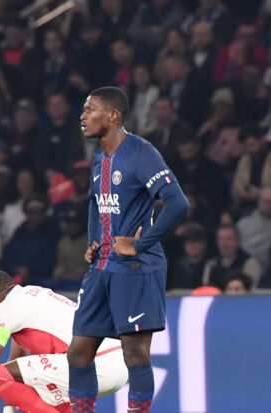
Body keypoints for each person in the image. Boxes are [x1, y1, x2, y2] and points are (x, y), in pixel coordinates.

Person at [68, 86, 189, 412]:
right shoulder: (98, 156)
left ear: (113, 115)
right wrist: (94, 240)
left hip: (135, 268)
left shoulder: (141, 152)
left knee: (134, 354)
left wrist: (142, 243)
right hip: (103, 265)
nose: (83, 116)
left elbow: (178, 203)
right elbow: (96, 202)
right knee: (78, 352)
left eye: (90, 109)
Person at [0, 271, 127, 413]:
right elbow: (16, 366)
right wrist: (9, 409)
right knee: (40, 388)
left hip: (95, 363)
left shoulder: (5, 309)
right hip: (117, 363)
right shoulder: (36, 294)